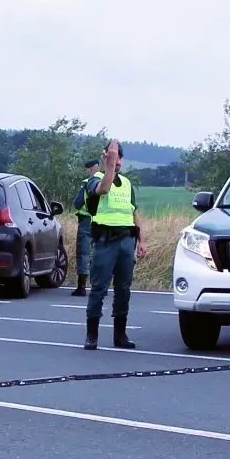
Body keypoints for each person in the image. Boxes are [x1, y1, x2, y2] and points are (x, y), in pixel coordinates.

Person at [82, 139, 146, 350]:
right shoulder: (94, 179)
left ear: (122, 159)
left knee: (123, 289)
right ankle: (92, 336)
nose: (115, 161)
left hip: (126, 241)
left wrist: (142, 240)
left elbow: (134, 212)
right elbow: (103, 189)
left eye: (118, 157)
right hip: (105, 242)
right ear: (104, 157)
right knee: (99, 288)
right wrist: (108, 165)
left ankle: (120, 335)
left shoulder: (127, 184)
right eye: (111, 156)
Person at [70, 158, 100, 296]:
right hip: (104, 222)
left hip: (87, 222)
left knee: (83, 253)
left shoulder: (87, 183)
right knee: (100, 253)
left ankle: (81, 286)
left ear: (91, 169)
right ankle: (99, 284)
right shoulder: (109, 180)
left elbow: (77, 203)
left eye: (87, 169)